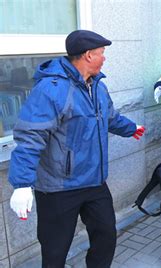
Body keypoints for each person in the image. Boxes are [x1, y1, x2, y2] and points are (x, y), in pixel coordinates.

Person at [8, 29, 145, 268]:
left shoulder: (98, 86)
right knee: (55, 251)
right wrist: (21, 184)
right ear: (88, 55)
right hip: (58, 188)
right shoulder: (51, 89)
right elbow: (31, 136)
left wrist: (130, 128)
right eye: (102, 53)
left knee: (106, 236)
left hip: (94, 181)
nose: (105, 58)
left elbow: (109, 116)